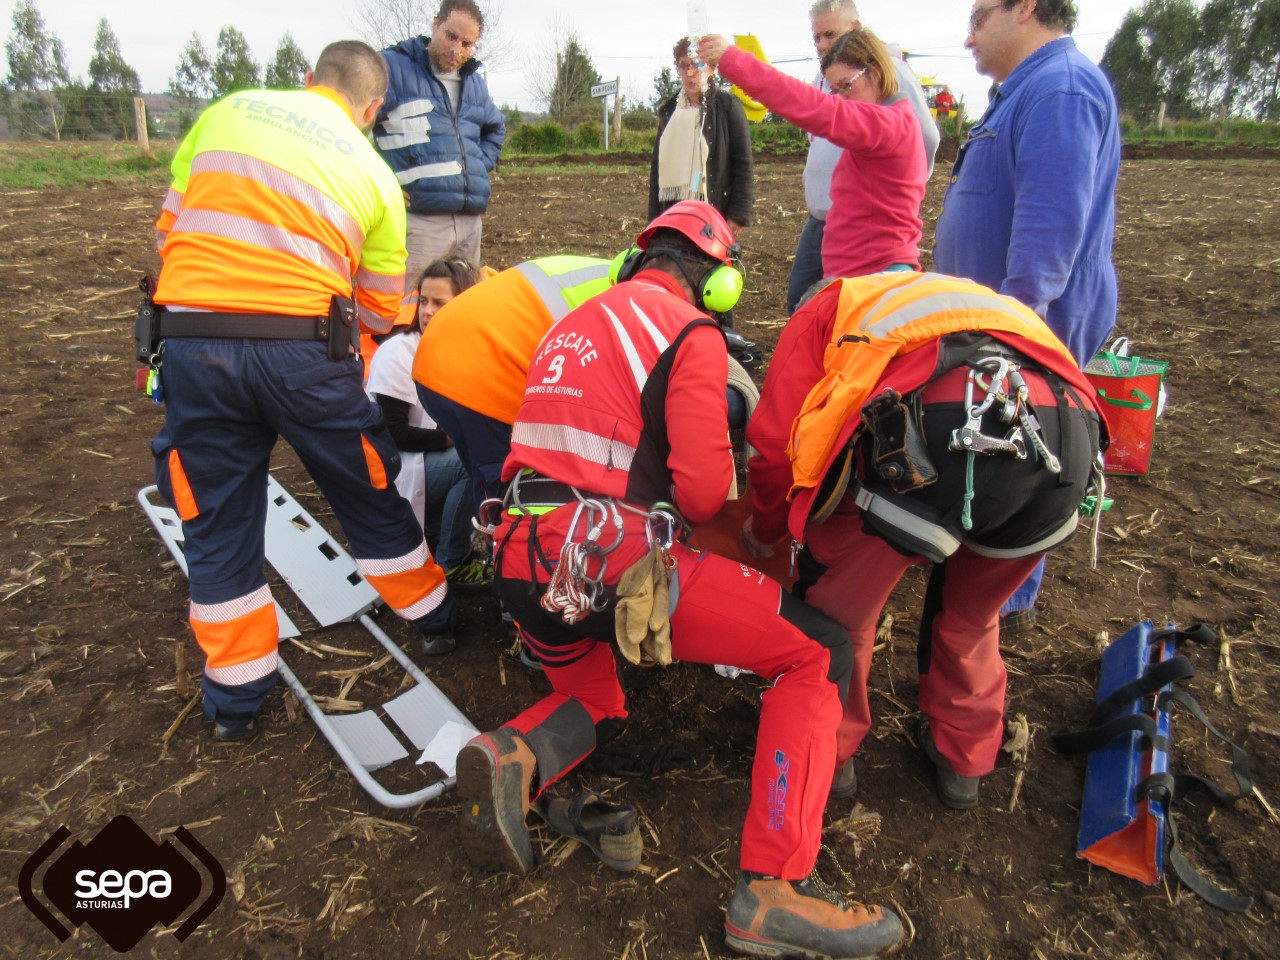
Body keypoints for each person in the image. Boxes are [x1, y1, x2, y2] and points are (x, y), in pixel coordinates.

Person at [454, 201, 904, 960]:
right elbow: (699, 496)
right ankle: (774, 888)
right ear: (718, 283)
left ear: (635, 261)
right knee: (816, 652)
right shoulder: (690, 332)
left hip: (519, 560)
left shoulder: (569, 326)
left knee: (597, 701)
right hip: (605, 559)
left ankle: (513, 755)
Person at [148, 41, 456, 743]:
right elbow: (377, 311)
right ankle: (433, 617)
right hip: (305, 354)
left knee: (216, 517)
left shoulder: (227, 113)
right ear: (373, 109)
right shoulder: (376, 178)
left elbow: (170, 233)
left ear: (309, 80)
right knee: (365, 485)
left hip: (195, 344)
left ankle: (236, 700)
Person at [744, 271, 1104, 809]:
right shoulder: (957, 300)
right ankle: (964, 761)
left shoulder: (825, 309)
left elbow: (777, 444)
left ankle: (828, 756)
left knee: (839, 620)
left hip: (936, 438)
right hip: (1065, 450)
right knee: (971, 617)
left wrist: (765, 529)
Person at [933, 0, 1120, 632]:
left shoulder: (1061, 91)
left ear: (1027, 8)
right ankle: (979, 563)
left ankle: (1003, 598)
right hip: (993, 317)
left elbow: (1048, 232)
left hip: (1029, 322)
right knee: (998, 441)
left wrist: (1014, 337)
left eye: (979, 17)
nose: (968, 37)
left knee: (1027, 445)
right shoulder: (1025, 91)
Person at [698, 29, 926, 282]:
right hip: (862, 272)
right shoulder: (889, 122)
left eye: (847, 85)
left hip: (873, 277)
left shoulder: (888, 124)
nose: (843, 98)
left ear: (875, 71)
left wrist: (731, 59)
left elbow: (810, 105)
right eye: (836, 90)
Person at [412, 255, 613, 512]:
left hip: (434, 370)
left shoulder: (597, 275)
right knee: (502, 484)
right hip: (475, 381)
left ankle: (488, 527)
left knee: (483, 478)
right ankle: (500, 531)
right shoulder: (631, 298)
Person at [787, 0, 940, 312]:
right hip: (826, 217)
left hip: (862, 228)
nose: (822, 44)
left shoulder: (889, 72)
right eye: (816, 37)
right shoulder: (825, 78)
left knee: (841, 308)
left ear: (854, 28)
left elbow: (925, 136)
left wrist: (901, 192)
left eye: (830, 35)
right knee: (806, 301)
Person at [366, 255, 490, 625]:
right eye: (423, 301)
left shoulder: (466, 348)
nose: (428, 311)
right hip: (398, 464)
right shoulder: (398, 353)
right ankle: (453, 560)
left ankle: (438, 528)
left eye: (439, 303)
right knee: (472, 463)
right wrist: (453, 438)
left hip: (427, 462)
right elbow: (393, 433)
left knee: (484, 456)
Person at [374, 0, 505, 313]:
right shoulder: (391, 68)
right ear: (435, 24)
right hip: (421, 219)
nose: (456, 49)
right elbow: (355, 122)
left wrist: (476, 167)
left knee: (463, 308)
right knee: (412, 309)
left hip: (470, 221)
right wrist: (383, 184)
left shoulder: (473, 83)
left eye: (467, 44)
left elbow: (495, 128)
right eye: (451, 36)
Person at [649, 37, 754, 234]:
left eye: (697, 65)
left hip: (716, 212)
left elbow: (743, 163)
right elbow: (658, 166)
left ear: (711, 68)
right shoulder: (668, 111)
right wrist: (654, 220)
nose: (690, 73)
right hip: (672, 212)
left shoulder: (728, 107)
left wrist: (738, 215)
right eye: (684, 65)